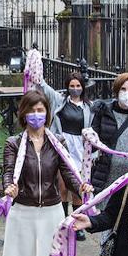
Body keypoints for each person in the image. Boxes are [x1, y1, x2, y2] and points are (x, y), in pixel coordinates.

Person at [0, 90, 91, 256]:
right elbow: (8, 171)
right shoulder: (14, 143)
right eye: (32, 110)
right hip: (23, 212)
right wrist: (9, 187)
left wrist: (80, 185)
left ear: (47, 113)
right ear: (23, 113)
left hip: (50, 211)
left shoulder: (55, 141)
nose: (36, 115)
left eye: (41, 110)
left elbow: (68, 171)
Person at [41, 74, 93, 240]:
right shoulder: (60, 100)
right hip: (63, 146)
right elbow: (44, 88)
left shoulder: (89, 107)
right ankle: (63, 221)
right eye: (72, 85)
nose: (75, 89)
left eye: (78, 86)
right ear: (67, 86)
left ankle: (77, 224)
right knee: (62, 185)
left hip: (81, 149)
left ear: (83, 87)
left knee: (78, 187)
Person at [88, 73, 128, 191]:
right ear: (116, 91)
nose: (126, 92)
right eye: (123, 89)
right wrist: (88, 139)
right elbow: (92, 145)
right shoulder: (103, 113)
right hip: (106, 175)